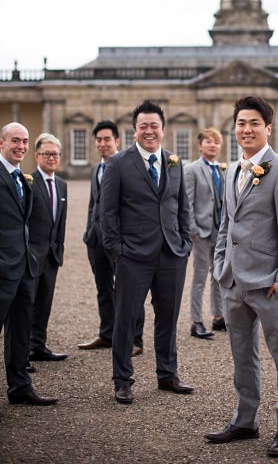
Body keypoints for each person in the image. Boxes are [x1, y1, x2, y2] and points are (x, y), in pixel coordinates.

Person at [206, 95, 278, 458]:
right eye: (242, 123)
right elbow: (226, 224)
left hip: (268, 283)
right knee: (242, 355)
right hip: (232, 280)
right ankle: (246, 419)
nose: (247, 129)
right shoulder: (231, 169)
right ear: (235, 127)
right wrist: (219, 266)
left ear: (268, 128)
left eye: (254, 124)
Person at [100, 100, 194, 404]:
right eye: (144, 126)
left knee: (168, 317)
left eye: (154, 125)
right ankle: (123, 379)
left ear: (163, 129)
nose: (149, 131)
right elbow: (107, 213)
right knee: (125, 318)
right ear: (135, 130)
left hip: (171, 253)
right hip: (133, 256)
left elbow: (182, 206)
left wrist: (185, 242)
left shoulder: (174, 162)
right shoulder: (117, 163)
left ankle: (167, 375)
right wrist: (118, 251)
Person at [0, 122, 57, 406]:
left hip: (24, 267)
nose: (21, 146)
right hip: (2, 268)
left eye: (24, 141)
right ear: (1, 143)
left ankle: (20, 387)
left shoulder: (21, 177)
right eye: (15, 141)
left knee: (21, 330)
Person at [78, 120, 143, 355]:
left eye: (107, 139)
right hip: (96, 240)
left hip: (120, 240)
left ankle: (136, 340)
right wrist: (88, 232)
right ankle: (107, 333)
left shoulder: (128, 166)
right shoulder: (97, 168)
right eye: (98, 140)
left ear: (117, 141)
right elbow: (94, 203)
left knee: (130, 290)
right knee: (104, 289)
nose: (102, 144)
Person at [28, 134, 68, 363]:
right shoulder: (28, 181)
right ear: (37, 156)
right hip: (32, 255)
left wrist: (59, 248)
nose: (52, 158)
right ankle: (21, 355)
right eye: (47, 154)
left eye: (55, 154)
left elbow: (60, 222)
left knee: (44, 304)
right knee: (26, 305)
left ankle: (38, 346)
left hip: (52, 256)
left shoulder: (61, 184)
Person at [184, 128, 226, 339]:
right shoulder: (191, 169)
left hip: (219, 232)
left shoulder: (222, 169)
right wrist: (193, 231)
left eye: (216, 142)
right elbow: (187, 203)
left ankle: (219, 317)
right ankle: (196, 321)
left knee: (218, 276)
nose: (213, 145)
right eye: (208, 142)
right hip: (200, 233)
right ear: (200, 146)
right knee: (199, 278)